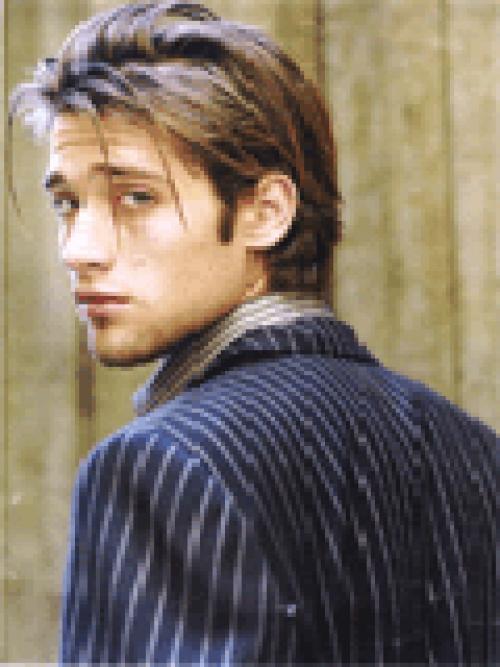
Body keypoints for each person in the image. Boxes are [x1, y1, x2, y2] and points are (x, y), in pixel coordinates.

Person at [9, 1, 497, 664]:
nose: (79, 249)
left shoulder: (161, 464)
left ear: (266, 212)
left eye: (135, 197)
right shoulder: (472, 452)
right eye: (68, 203)